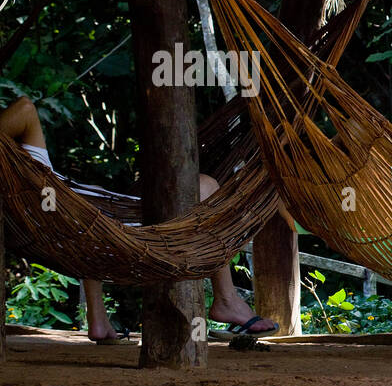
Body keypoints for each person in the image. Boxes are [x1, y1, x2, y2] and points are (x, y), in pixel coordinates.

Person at [0, 95, 279, 342]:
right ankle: (227, 298)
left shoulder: (26, 178)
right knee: (205, 186)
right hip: (108, 226)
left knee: (88, 207)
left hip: (89, 223)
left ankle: (98, 319)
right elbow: (24, 108)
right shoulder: (28, 178)